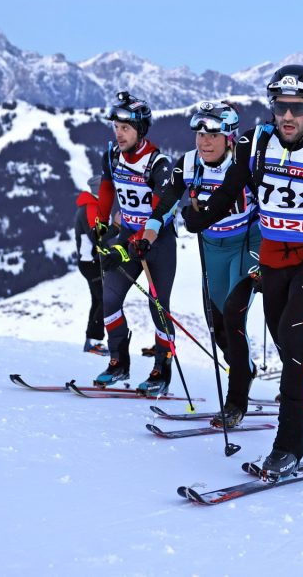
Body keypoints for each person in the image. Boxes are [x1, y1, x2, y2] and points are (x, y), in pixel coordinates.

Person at [182, 65, 303, 480]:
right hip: (272, 256)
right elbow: (231, 188)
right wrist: (203, 217)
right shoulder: (254, 142)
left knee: (291, 335)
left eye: (297, 108)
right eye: (281, 106)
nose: (287, 116)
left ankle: (287, 447)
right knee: (289, 346)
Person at [140, 101, 263, 425]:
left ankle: (236, 402)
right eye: (200, 134)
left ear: (229, 137)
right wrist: (147, 237)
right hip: (212, 248)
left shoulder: (245, 164)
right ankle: (245, 369)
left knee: (234, 315)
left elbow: (270, 203)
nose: (204, 141)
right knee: (218, 325)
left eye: (213, 135)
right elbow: (166, 204)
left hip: (248, 243)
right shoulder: (189, 164)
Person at [92, 92, 177, 394]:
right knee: (110, 299)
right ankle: (118, 362)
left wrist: (132, 242)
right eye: (116, 127)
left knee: (158, 307)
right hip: (127, 235)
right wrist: (101, 222)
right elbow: (106, 187)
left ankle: (161, 370)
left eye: (125, 128)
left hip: (157, 241)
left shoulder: (158, 164)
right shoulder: (112, 156)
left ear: (140, 130)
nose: (119, 134)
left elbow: (158, 211)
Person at [75, 175, 107, 355]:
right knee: (104, 300)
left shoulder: (91, 206)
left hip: (91, 261)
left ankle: (92, 341)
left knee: (98, 300)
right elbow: (97, 237)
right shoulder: (91, 207)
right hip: (91, 263)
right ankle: (93, 341)